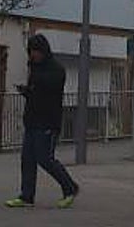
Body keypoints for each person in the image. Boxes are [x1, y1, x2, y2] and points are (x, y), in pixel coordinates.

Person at [5, 34, 79, 208]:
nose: (33, 55)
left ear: (43, 51)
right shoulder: (35, 69)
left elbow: (50, 91)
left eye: (36, 52)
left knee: (45, 158)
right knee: (27, 159)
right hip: (32, 120)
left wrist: (35, 86)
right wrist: (26, 91)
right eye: (31, 52)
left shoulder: (56, 69)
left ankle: (69, 187)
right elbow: (35, 93)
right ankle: (26, 196)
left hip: (48, 122)